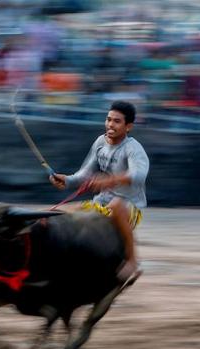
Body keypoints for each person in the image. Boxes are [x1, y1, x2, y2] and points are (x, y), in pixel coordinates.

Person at [49, 100, 149, 284]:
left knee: (116, 204)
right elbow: (85, 173)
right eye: (108, 119)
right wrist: (68, 180)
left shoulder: (133, 149)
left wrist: (110, 181)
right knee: (59, 216)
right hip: (100, 203)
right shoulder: (100, 142)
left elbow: (139, 175)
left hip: (128, 207)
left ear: (129, 127)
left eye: (117, 121)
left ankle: (133, 260)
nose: (110, 124)